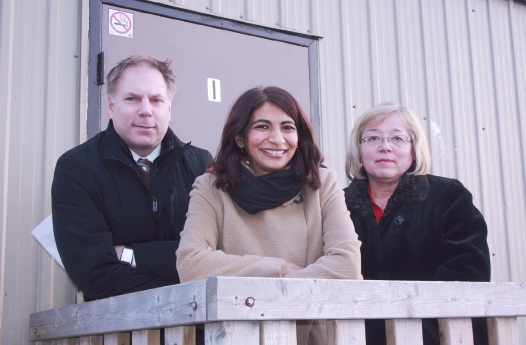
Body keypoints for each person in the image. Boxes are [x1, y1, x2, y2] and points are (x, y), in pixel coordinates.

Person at [176, 86, 362, 344]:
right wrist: (278, 269)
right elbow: (191, 264)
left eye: (287, 127)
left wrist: (248, 275)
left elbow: (347, 265)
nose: (277, 139)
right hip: (238, 337)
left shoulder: (321, 183)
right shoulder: (211, 187)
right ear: (240, 137)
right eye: (262, 127)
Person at [52, 55, 212, 301]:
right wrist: (187, 278)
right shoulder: (76, 169)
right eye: (132, 99)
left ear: (169, 108)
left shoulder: (202, 165)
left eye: (156, 100)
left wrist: (129, 254)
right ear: (111, 105)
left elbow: (217, 256)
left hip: (199, 333)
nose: (145, 110)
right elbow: (96, 278)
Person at [343, 102, 491, 345]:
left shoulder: (449, 196)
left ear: (414, 149)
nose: (385, 147)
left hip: (441, 337)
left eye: (398, 138)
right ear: (358, 149)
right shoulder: (338, 205)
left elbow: (469, 271)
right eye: (372, 138)